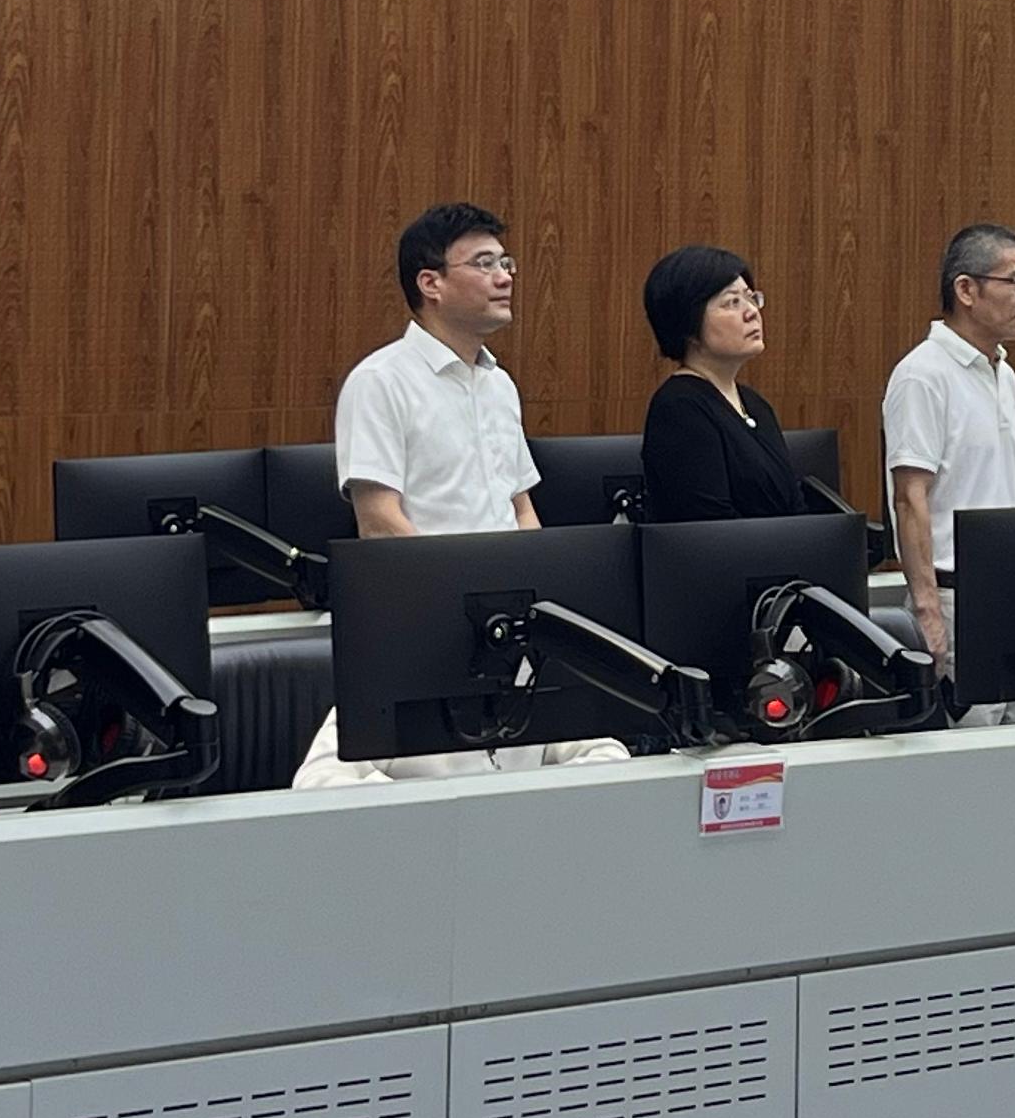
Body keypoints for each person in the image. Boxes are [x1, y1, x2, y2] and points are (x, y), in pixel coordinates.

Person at [295, 202, 625, 786]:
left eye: (506, 262)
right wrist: (448, 602)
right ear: (432, 283)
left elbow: (520, 507)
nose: (505, 277)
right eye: (484, 263)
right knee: (353, 775)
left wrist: (544, 598)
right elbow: (379, 521)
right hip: (426, 622)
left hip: (507, 626)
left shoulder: (500, 386)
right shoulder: (380, 382)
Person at [883, 224, 1015, 726]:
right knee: (973, 751)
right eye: (1014, 282)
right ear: (966, 290)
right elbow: (909, 497)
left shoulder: (1005, 372)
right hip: (957, 598)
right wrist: (927, 610)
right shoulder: (923, 374)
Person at [639, 245, 803, 523]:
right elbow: (710, 528)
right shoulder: (679, 409)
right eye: (732, 303)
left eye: (751, 298)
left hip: (785, 550)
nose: (752, 312)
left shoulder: (755, 404)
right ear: (688, 324)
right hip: (731, 553)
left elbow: (794, 507)